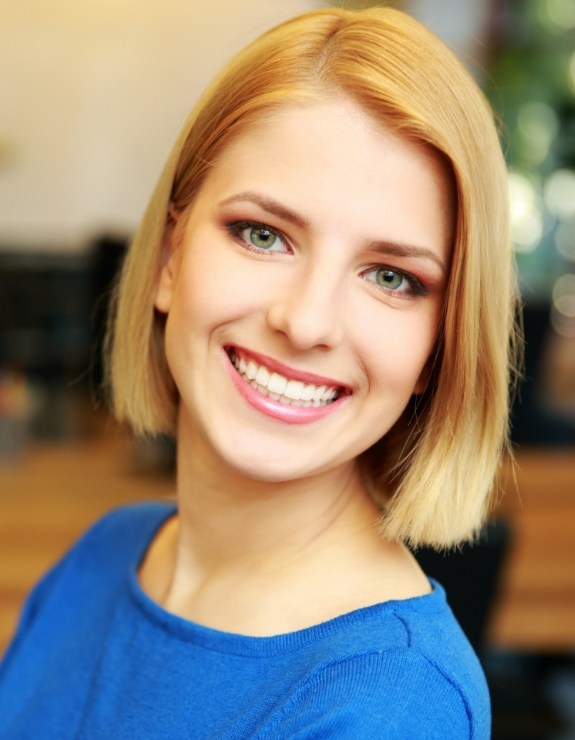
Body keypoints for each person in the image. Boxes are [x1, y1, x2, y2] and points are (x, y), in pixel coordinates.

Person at [0, 6, 520, 738]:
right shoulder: (104, 555)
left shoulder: (391, 705)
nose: (305, 322)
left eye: (391, 277)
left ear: (438, 348)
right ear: (171, 259)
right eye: (263, 234)